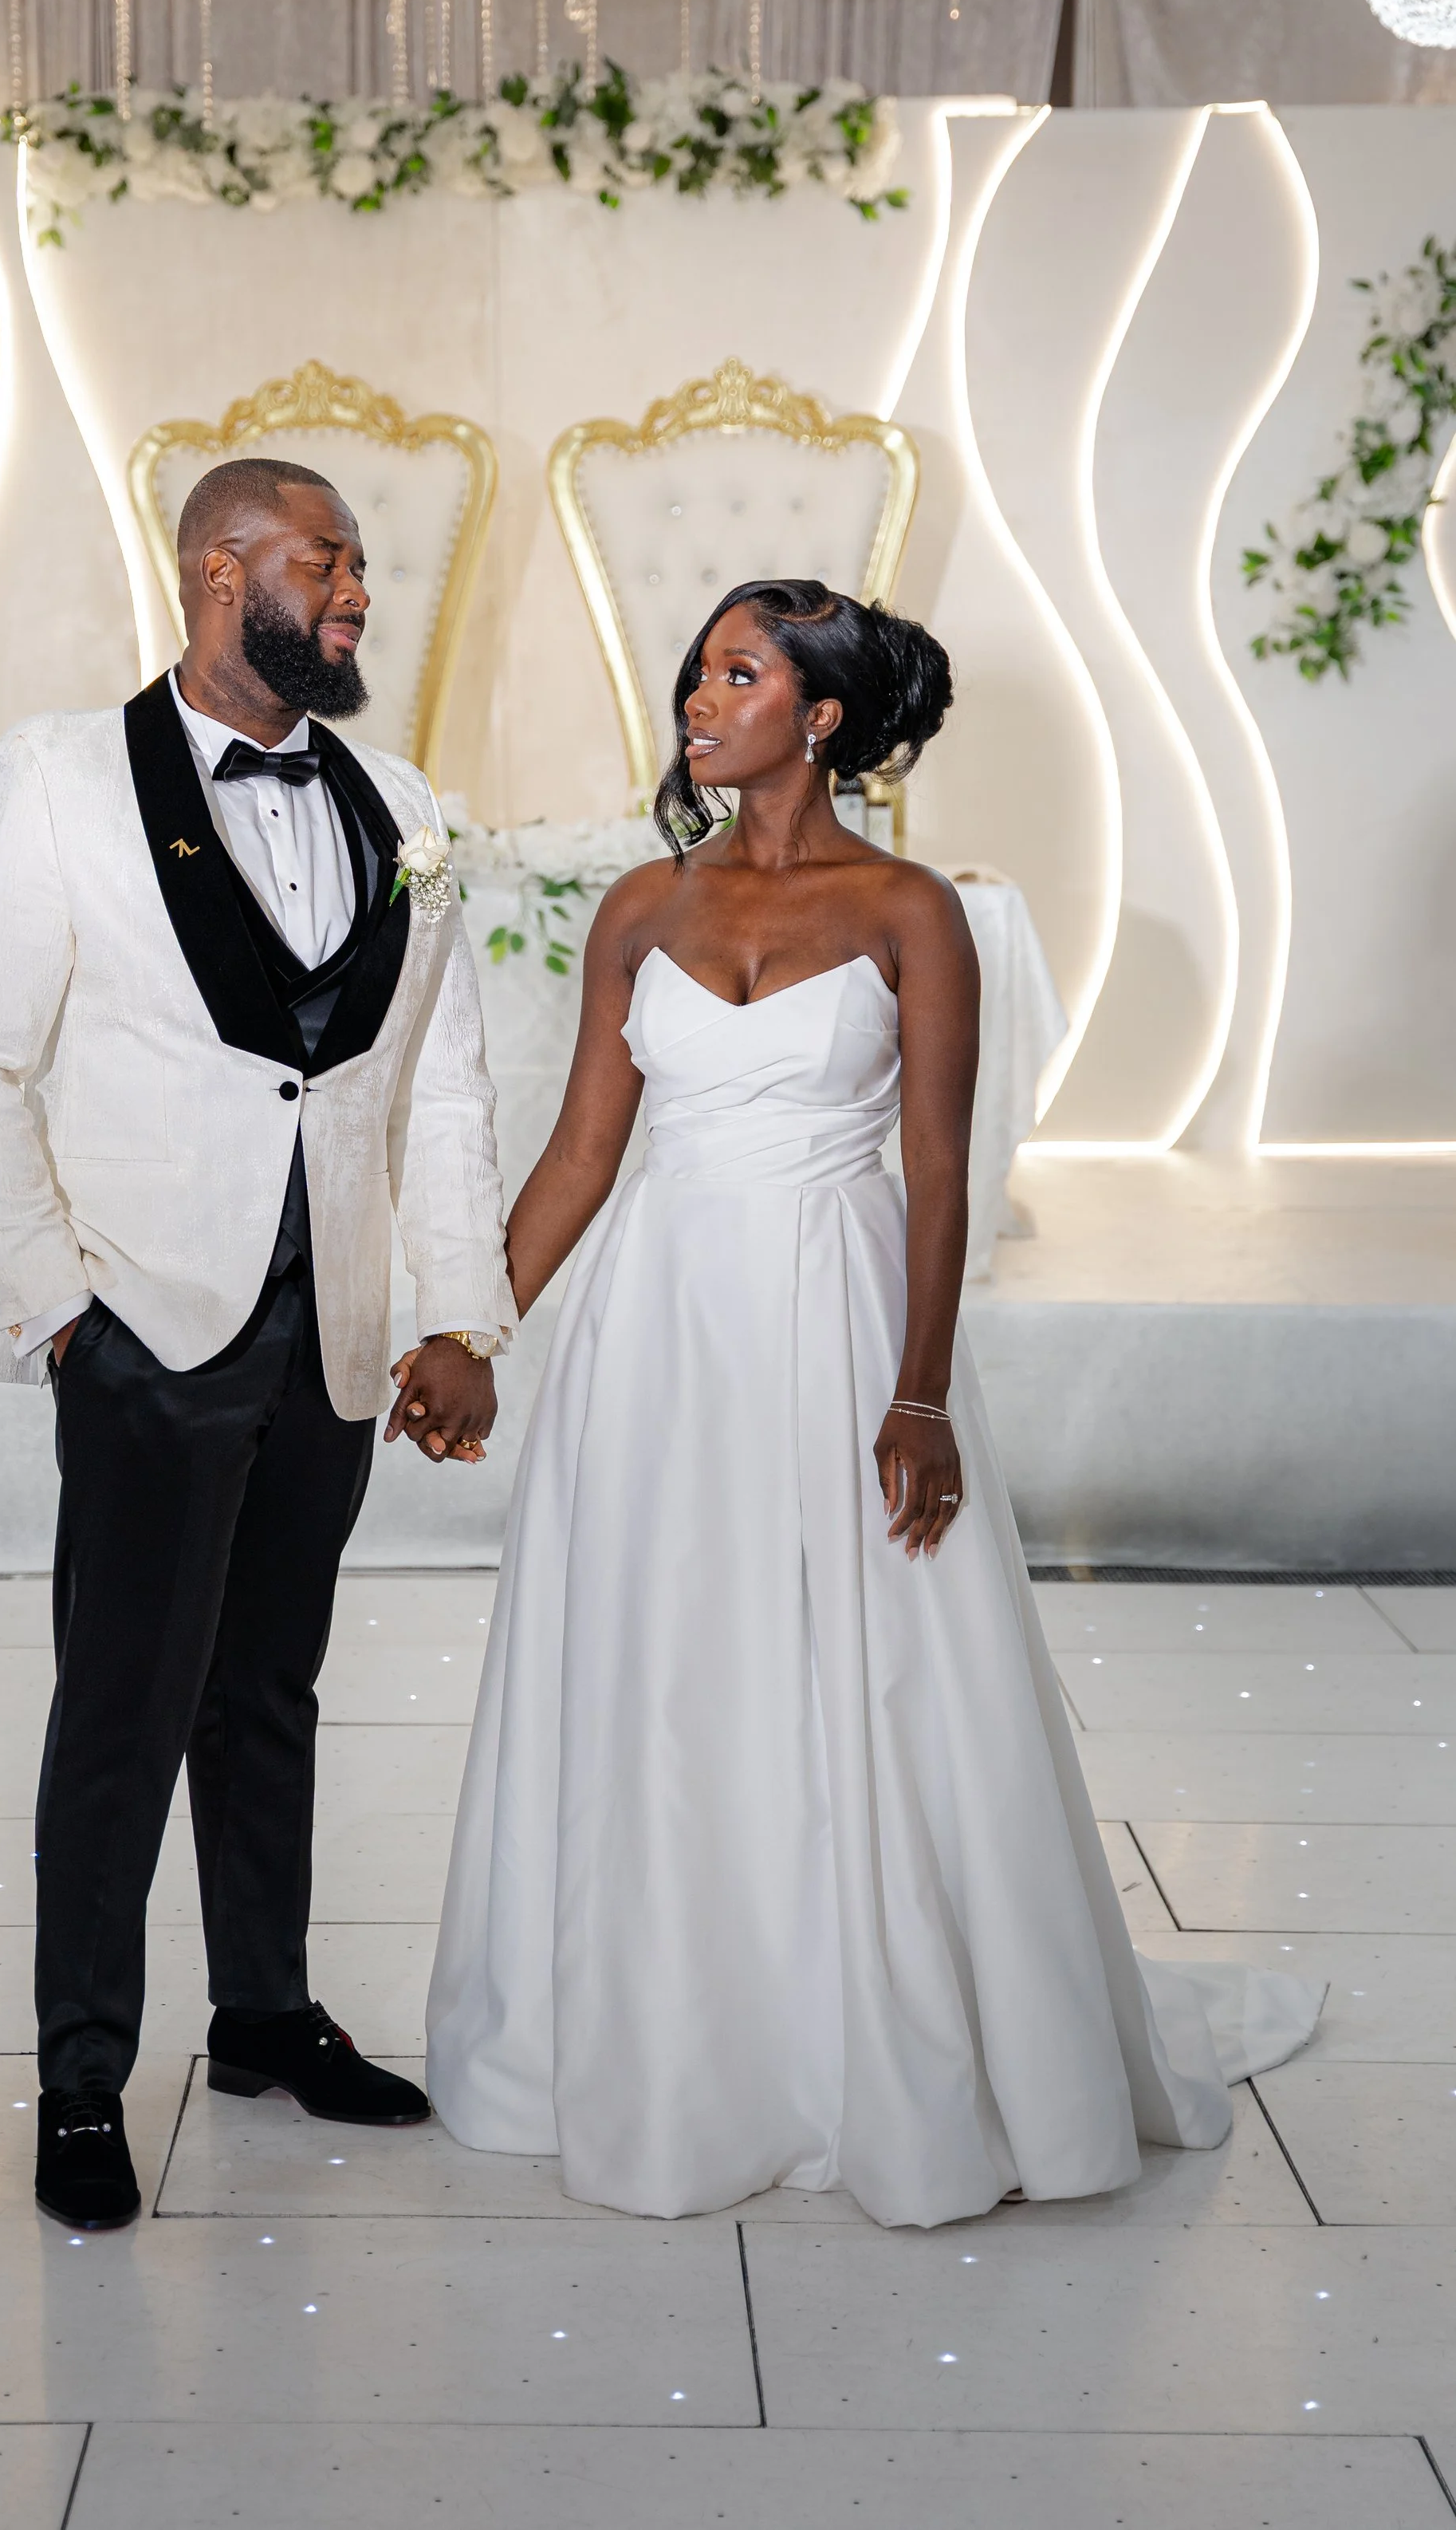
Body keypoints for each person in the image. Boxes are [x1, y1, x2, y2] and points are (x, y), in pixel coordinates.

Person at [427, 579, 1320, 2227]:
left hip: (832, 1313)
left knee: (866, 1661)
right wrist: (471, 1324)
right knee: (668, 1659)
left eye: (737, 673)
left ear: (818, 716)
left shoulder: (912, 909)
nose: (697, 696)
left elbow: (934, 1174)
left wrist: (919, 1395)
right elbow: (578, 1154)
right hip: (655, 1330)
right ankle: (674, 2027)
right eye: (696, 670)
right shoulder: (640, 907)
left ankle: (872, 2030)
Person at [0, 455, 514, 2232]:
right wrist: (59, 1313)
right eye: (327, 563)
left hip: (328, 1333)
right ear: (214, 571)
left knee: (269, 1696)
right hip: (146, 1329)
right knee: (122, 1712)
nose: (357, 596)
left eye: (356, 569)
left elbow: (441, 1091)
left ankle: (261, 2013)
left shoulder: (399, 799)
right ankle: (84, 2075)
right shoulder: (55, 778)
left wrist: (455, 1309)